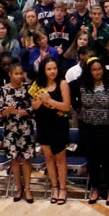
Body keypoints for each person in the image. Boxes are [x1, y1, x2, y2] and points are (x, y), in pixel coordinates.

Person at [72, 57, 109, 205]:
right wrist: (78, 109)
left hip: (107, 127)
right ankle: (94, 188)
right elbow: (72, 97)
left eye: (99, 69)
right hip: (87, 127)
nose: (97, 72)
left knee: (107, 159)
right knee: (92, 159)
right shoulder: (81, 84)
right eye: (94, 70)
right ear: (89, 71)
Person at [31, 57, 72, 204]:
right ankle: (54, 187)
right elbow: (34, 107)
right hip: (43, 124)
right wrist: (39, 101)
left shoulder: (62, 83)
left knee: (60, 158)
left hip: (58, 125)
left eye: (54, 68)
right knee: (48, 157)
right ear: (43, 70)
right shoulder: (37, 85)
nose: (52, 71)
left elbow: (66, 106)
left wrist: (50, 101)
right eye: (49, 69)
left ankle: (63, 188)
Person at [0, 62, 35, 203]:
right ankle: (18, 188)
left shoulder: (28, 88)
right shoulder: (2, 90)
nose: (19, 76)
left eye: (21, 73)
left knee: (26, 159)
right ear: (10, 74)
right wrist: (5, 112)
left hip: (26, 129)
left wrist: (26, 111)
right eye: (16, 74)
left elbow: (35, 107)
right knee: (14, 160)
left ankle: (27, 188)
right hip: (11, 130)